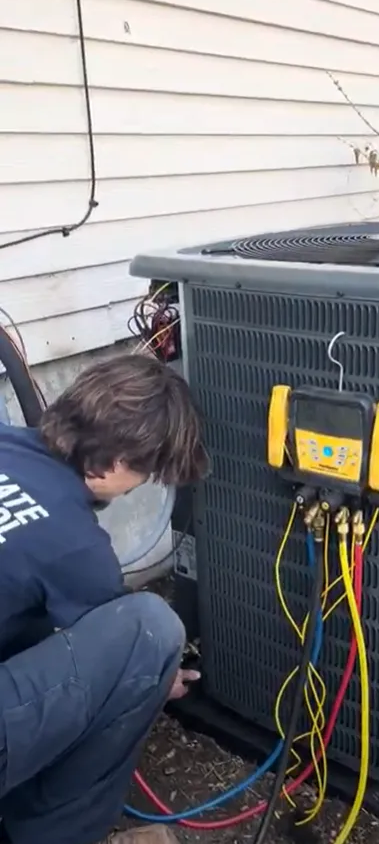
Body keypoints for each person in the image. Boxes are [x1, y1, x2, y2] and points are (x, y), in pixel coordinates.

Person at [0, 354, 209, 844]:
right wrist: (163, 678)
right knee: (148, 631)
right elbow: (123, 661)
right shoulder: (76, 547)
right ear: (115, 464)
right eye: (147, 473)